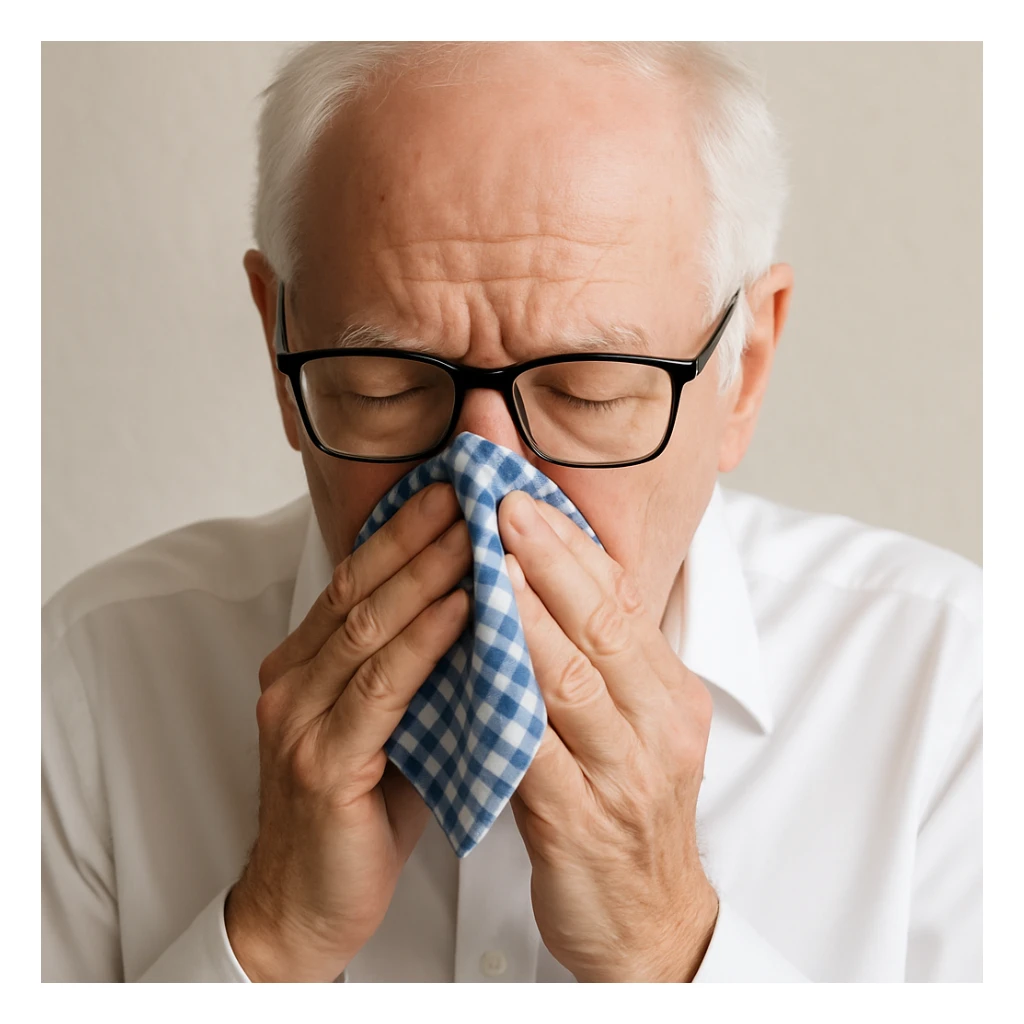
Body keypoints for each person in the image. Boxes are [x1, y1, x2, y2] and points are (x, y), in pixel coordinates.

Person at [41, 41, 981, 983]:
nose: (481, 485)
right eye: (386, 386)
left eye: (588, 392)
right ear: (279, 345)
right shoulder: (90, 686)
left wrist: (668, 945)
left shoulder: (954, 698)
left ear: (746, 372)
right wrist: (268, 939)